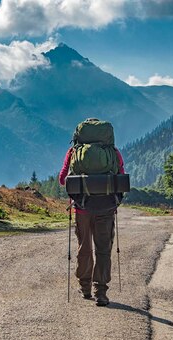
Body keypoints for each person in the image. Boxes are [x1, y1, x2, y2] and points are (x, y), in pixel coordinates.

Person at [58, 119, 125, 306]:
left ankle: (85, 287)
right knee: (103, 249)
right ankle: (101, 292)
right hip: (107, 207)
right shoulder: (113, 153)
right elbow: (121, 177)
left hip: (82, 207)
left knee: (84, 247)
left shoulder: (73, 153)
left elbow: (63, 179)